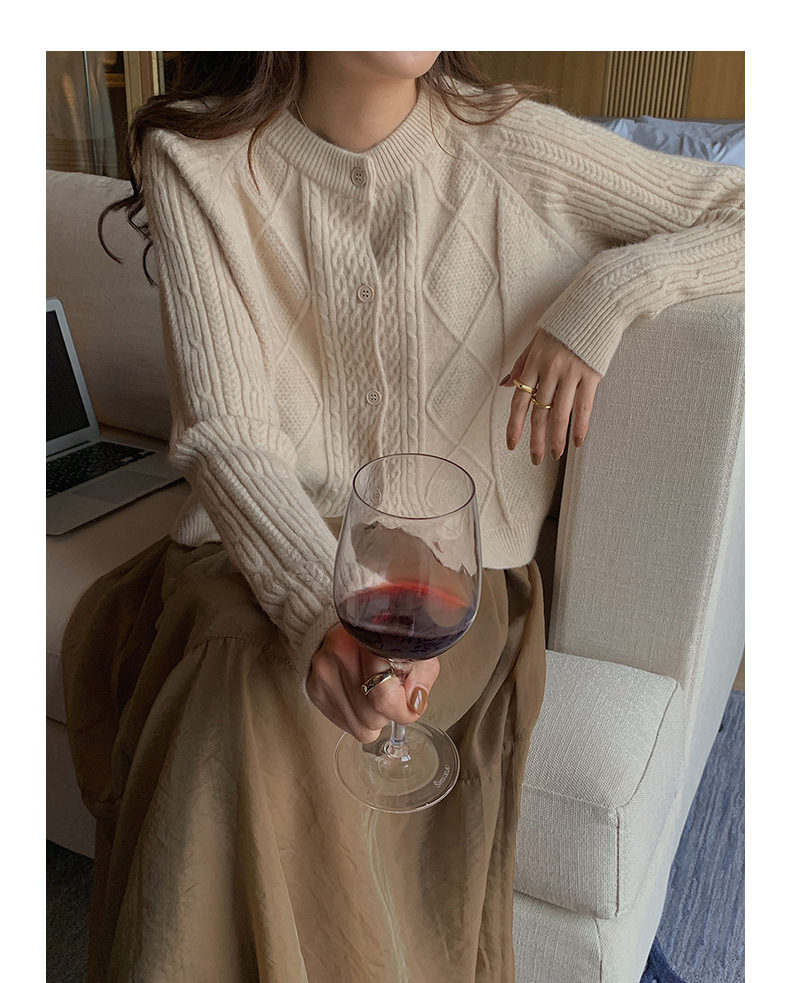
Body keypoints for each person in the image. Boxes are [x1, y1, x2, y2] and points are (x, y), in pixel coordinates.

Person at [63, 51, 744, 983]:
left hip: (452, 580)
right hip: (255, 549)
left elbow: (748, 211)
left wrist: (609, 294)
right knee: (245, 681)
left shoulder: (516, 144)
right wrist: (321, 611)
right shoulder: (196, 157)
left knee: (265, 711)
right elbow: (228, 437)